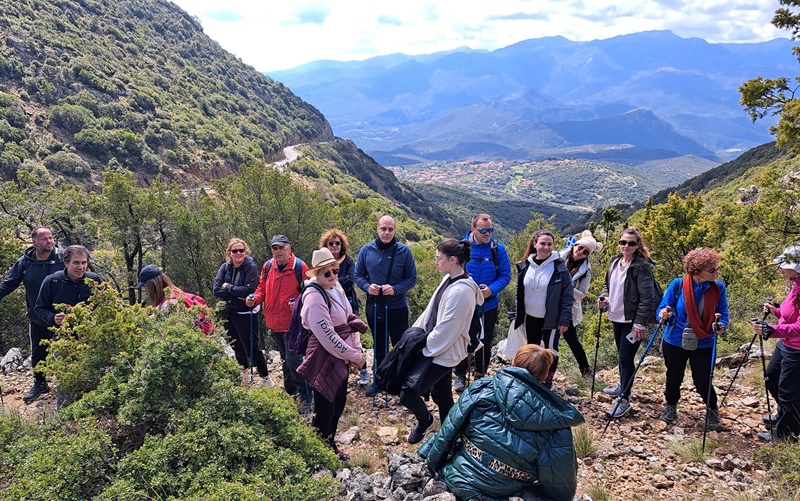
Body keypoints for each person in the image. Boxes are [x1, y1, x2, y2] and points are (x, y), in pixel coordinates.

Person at [419, 344, 584, 501]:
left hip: (457, 478)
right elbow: (561, 485)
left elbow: (448, 431)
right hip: (504, 494)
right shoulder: (555, 422)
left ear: (513, 363)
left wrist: (430, 462)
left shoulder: (481, 388)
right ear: (544, 376)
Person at [400, 239, 483, 444]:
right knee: (442, 395)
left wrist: (421, 349)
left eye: (438, 258)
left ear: (452, 260)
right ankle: (450, 437)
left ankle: (425, 420)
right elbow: (432, 312)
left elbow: (448, 329)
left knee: (408, 393)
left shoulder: (461, 291)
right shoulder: (450, 279)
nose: (436, 262)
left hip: (443, 352)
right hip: (438, 347)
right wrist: (415, 335)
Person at [297, 247, 367, 460]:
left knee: (338, 404)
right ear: (316, 274)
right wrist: (354, 356)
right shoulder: (313, 297)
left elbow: (349, 319)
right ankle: (319, 452)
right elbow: (327, 337)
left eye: (335, 270)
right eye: (327, 273)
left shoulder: (335, 287)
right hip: (325, 357)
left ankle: (329, 445)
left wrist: (356, 349)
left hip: (341, 356)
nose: (333, 276)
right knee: (325, 407)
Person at [656, 248, 729, 431]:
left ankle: (712, 409)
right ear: (696, 271)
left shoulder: (718, 287)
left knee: (703, 379)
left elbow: (724, 312)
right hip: (675, 339)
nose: (715, 273)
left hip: (705, 340)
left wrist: (721, 325)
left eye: (715, 269)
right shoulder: (678, 284)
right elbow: (664, 306)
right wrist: (664, 313)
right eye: (711, 270)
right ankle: (670, 406)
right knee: (673, 376)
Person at [354, 215, 417, 397]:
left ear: (394, 230)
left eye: (390, 229)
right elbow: (358, 275)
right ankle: (379, 380)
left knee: (400, 345)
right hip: (375, 305)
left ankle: (398, 381)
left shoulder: (404, 252)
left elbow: (412, 278)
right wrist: (367, 287)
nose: (387, 232)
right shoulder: (366, 250)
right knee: (379, 343)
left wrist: (396, 289)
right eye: (383, 229)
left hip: (398, 306)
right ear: (377, 229)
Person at [598, 227, 657, 418]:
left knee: (625, 358)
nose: (626, 246)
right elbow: (607, 285)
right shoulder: (615, 261)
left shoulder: (642, 267)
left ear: (637, 245)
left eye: (631, 243)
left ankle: (624, 399)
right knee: (622, 356)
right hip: (616, 316)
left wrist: (640, 323)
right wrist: (604, 298)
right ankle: (623, 386)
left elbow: (647, 298)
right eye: (623, 242)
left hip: (632, 321)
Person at [0, 227, 64, 404]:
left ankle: (70, 385)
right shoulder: (25, 262)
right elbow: (8, 284)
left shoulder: (62, 257)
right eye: (44, 239)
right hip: (38, 317)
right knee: (38, 353)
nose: (49, 241)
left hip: (64, 316)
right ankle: (40, 383)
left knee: (67, 352)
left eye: (51, 238)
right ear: (34, 241)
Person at [246, 235, 309, 403]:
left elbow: (310, 293)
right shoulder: (268, 266)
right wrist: (254, 299)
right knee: (284, 359)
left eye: (281, 247)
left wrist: (298, 304)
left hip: (293, 324)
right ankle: (291, 391)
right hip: (274, 323)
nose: (278, 251)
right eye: (275, 248)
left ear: (289, 248)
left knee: (293, 360)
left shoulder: (299, 267)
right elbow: (262, 288)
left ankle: (306, 395)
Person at [453, 213, 511, 392]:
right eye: (483, 230)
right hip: (465, 303)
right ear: (473, 229)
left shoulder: (497, 249)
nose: (487, 234)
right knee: (462, 337)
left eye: (490, 230)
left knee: (484, 339)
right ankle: (460, 374)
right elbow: (452, 273)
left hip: (489, 304)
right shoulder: (461, 248)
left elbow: (505, 276)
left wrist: (490, 290)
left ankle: (480, 374)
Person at [33, 245, 102, 391]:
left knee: (92, 376)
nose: (81, 267)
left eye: (84, 263)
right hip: (63, 337)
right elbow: (39, 308)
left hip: (90, 336)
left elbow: (105, 304)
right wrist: (53, 318)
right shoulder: (52, 281)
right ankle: (63, 410)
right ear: (66, 263)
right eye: (76, 263)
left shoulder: (94, 280)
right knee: (66, 379)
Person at [513, 229, 574, 388]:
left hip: (551, 319)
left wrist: (564, 319)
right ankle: (532, 378)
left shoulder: (559, 268)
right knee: (531, 350)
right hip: (529, 316)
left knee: (551, 351)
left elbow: (568, 295)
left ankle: (547, 381)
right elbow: (519, 291)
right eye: (542, 244)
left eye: (549, 244)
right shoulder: (525, 265)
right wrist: (518, 313)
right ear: (535, 244)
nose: (546, 247)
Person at [752, 245, 800, 442]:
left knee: (789, 391)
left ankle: (785, 434)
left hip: (796, 349)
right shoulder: (795, 284)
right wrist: (776, 311)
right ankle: (785, 415)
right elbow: (789, 314)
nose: (780, 267)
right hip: (785, 344)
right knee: (771, 377)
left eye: (784, 264)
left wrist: (772, 330)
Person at [213, 238, 273, 387]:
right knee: (236, 345)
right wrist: (236, 293)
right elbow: (216, 290)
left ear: (245, 252)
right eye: (235, 251)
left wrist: (228, 288)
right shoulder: (225, 268)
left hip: (246, 313)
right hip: (229, 313)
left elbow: (249, 290)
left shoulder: (250, 267)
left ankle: (265, 377)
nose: (239, 253)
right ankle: (245, 373)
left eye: (241, 250)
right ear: (229, 253)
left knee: (252, 347)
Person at [319, 229, 367, 386]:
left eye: (337, 243)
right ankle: (338, 370)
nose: (334, 246)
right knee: (333, 335)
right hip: (327, 305)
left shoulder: (348, 261)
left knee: (352, 335)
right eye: (330, 243)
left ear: (342, 245)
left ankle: (363, 369)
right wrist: (339, 280)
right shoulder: (322, 263)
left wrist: (330, 281)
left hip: (347, 303)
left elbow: (349, 282)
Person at [558, 230, 603, 379]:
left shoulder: (586, 271)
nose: (581, 251)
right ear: (574, 245)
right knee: (549, 339)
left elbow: (582, 294)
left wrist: (566, 286)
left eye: (585, 251)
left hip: (568, 309)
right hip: (549, 305)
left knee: (571, 339)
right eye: (580, 247)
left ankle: (585, 370)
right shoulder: (557, 257)